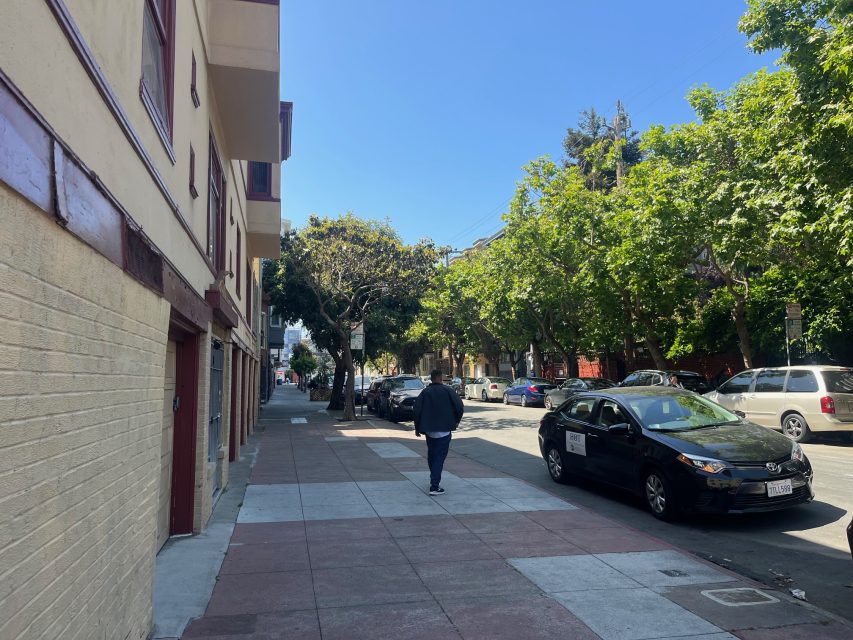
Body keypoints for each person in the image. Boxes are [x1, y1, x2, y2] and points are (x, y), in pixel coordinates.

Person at [413, 369, 464, 495]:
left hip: (429, 431)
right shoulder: (448, 391)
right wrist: (456, 421)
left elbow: (416, 410)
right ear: (441, 378)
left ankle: (434, 478)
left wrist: (417, 427)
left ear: (431, 379)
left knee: (432, 456)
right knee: (439, 458)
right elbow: (459, 406)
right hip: (445, 430)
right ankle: (434, 486)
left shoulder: (425, 392)